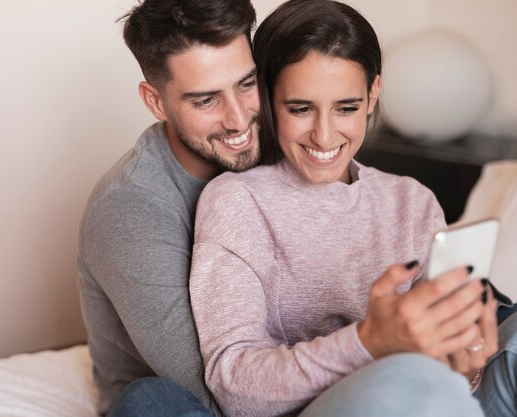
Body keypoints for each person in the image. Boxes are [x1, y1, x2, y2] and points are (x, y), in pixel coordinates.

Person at [189, 1, 517, 416]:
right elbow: (234, 386)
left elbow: (443, 369)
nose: (325, 136)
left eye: (346, 108)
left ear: (372, 95)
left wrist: (465, 361)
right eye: (301, 108)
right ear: (268, 100)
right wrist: (367, 341)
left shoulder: (412, 201)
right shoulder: (238, 202)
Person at [77, 0, 260, 416]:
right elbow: (210, 384)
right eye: (206, 101)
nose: (239, 120)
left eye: (247, 84)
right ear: (156, 102)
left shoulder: (272, 148)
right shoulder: (128, 206)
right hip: (181, 398)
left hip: (269, 367)